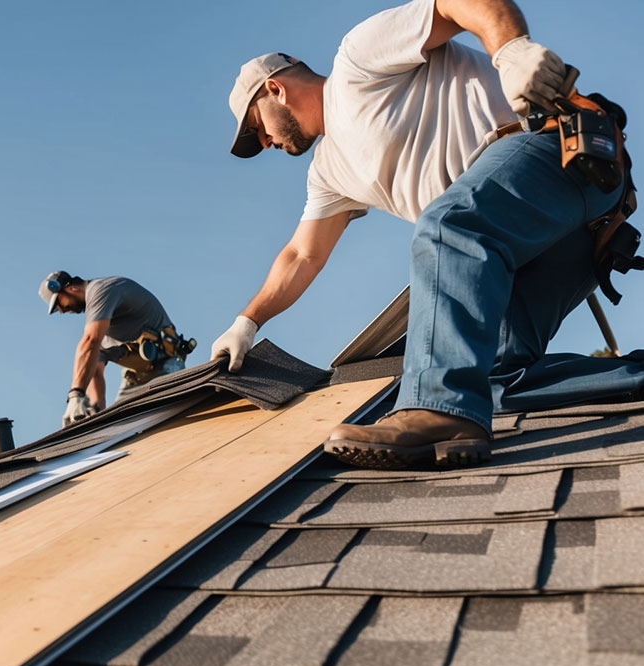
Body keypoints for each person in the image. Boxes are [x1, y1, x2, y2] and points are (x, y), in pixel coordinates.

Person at [209, 0, 644, 468]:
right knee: (493, 377)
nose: (267, 144)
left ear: (275, 88)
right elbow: (302, 255)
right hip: (538, 243)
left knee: (446, 225)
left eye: (258, 129)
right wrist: (246, 323)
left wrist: (513, 52)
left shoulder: (356, 60)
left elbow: (461, 4)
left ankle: (433, 409)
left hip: (560, 157)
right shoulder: (328, 173)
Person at [39, 270, 195, 426]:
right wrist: (93, 417)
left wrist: (75, 395)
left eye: (58, 303)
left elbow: (89, 341)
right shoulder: (101, 327)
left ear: (70, 288)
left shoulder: (102, 290)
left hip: (165, 365)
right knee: (119, 428)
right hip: (136, 378)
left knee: (169, 422)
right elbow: (94, 371)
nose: (61, 310)